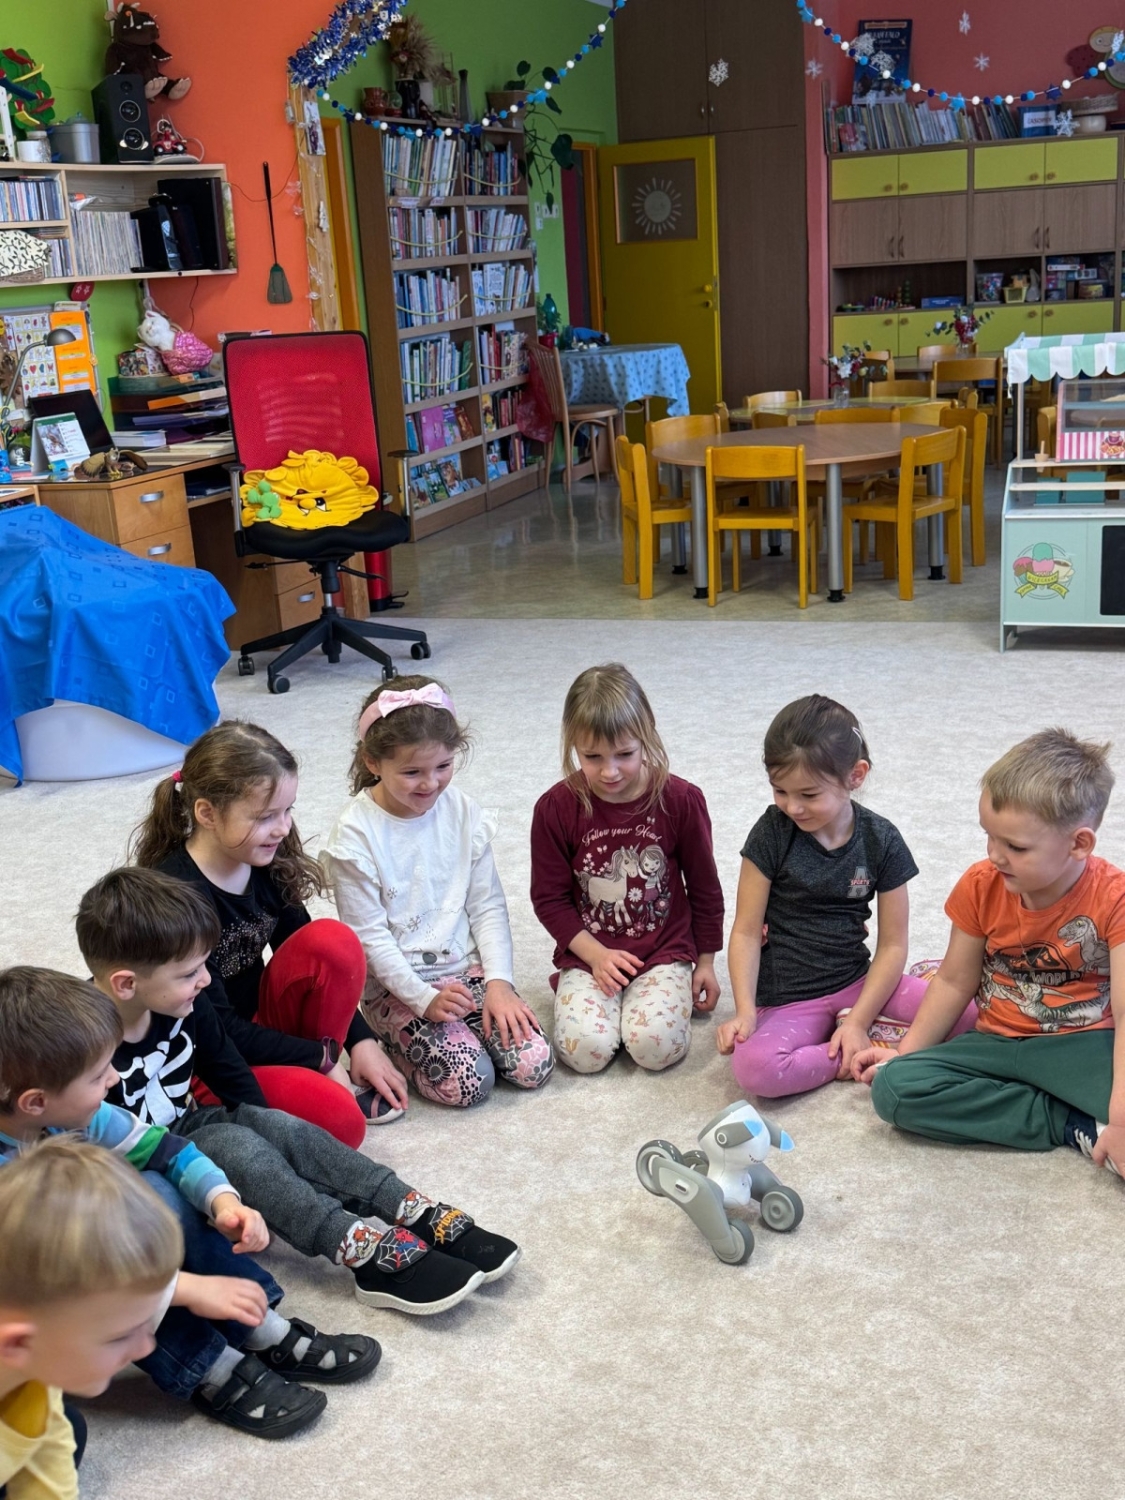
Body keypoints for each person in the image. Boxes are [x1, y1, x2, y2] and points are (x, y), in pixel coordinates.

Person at [69, 873, 523, 1304]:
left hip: (185, 1120)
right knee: (239, 1149)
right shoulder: (79, 1045)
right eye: (190, 973)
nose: (205, 980)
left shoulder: (185, 1000)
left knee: (281, 1130)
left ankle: (407, 1206)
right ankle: (356, 1247)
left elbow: (226, 1069)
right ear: (126, 985)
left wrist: (268, 1130)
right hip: (134, 1165)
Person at [0, 966, 377, 1441]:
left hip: (74, 1269)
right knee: (110, 1234)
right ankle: (207, 1365)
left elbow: (170, 1151)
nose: (115, 1078)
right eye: (97, 1076)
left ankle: (258, 1325)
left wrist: (223, 1202)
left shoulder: (71, 1115)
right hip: (32, 1299)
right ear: (35, 1102)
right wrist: (183, 1289)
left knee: (156, 1189)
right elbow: (69, 1276)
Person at [854, 729, 1125, 1177]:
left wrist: (1120, 1121)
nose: (995, 856)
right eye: (989, 837)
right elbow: (954, 980)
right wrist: (906, 1053)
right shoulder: (981, 884)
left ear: (1079, 844)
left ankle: (1072, 1109)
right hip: (995, 1042)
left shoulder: (1115, 899)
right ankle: (1064, 1119)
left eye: (1015, 847)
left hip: (1080, 1045)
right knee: (895, 1090)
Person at [131, 720, 409, 1142]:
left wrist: (361, 1041)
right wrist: (320, 1057)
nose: (282, 828)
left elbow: (312, 951)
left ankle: (306, 1064)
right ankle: (231, 1099)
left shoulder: (263, 860)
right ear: (206, 813)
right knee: (343, 1124)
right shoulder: (175, 898)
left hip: (262, 1020)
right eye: (265, 817)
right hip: (211, 1055)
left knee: (334, 942)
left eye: (287, 810)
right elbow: (218, 1030)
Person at [716, 694, 976, 1097]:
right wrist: (746, 1012)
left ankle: (861, 1032)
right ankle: (862, 1051)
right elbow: (747, 931)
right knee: (756, 1070)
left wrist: (858, 1020)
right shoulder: (771, 833)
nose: (792, 807)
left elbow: (893, 944)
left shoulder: (881, 839)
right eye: (779, 791)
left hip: (859, 983)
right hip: (788, 999)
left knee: (970, 1015)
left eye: (808, 794)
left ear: (856, 775)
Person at [322, 677, 554, 1108]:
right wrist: (423, 999)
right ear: (373, 762)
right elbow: (370, 938)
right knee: (468, 1084)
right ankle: (392, 1038)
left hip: (467, 970)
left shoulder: (463, 811)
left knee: (533, 1065)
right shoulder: (355, 836)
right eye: (412, 772)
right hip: (399, 985)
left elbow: (487, 907)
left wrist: (500, 983)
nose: (430, 783)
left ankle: (465, 1020)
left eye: (443, 766)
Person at [530, 663, 724, 1074]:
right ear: (572, 744)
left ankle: (645, 1003)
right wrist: (596, 956)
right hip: (589, 951)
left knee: (655, 1048)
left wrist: (705, 962)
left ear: (647, 733)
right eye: (592, 757)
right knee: (584, 1052)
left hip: (664, 949)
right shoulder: (555, 809)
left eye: (625, 754)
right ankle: (589, 999)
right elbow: (549, 898)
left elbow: (705, 888)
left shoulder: (681, 800)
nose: (610, 771)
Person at [0, 1137, 183, 1499]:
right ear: (19, 1343)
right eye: (119, 1336)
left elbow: (49, 1481)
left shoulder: (36, 1372)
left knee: (66, 1431)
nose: (146, 1347)